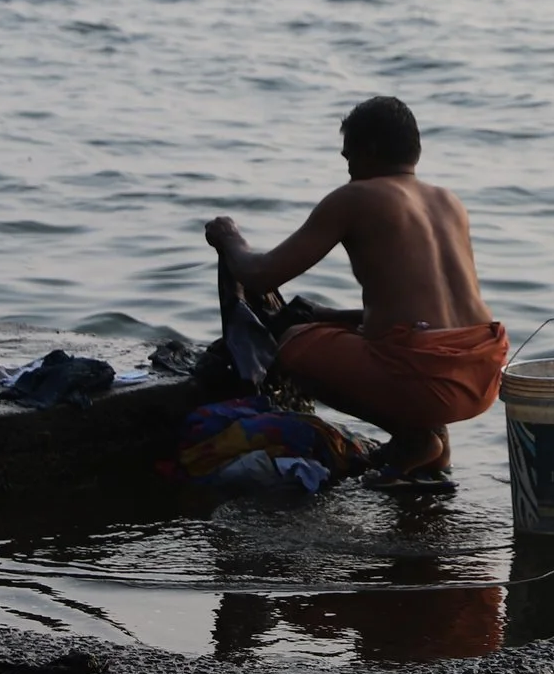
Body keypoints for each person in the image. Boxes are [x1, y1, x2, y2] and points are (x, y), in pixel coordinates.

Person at [206, 96, 506, 482]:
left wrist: (229, 238)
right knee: (401, 342)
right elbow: (433, 317)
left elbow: (261, 275)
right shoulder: (448, 201)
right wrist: (331, 316)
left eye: (349, 158)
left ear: (371, 150)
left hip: (426, 379)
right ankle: (436, 450)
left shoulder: (355, 197)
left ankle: (413, 437)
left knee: (293, 343)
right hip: (482, 373)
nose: (347, 170)